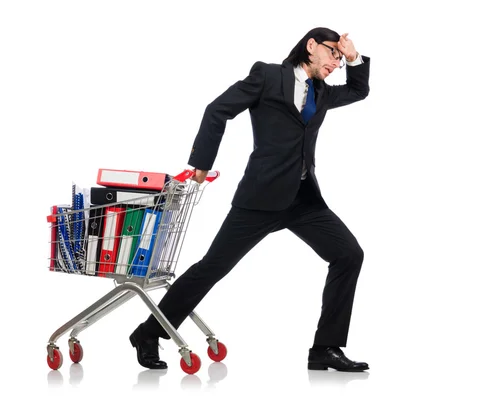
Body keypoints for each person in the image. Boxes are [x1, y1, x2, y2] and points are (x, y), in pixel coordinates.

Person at [129, 27, 370, 372]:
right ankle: (149, 332)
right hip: (261, 197)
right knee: (213, 268)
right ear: (311, 45)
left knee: (349, 255)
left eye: (339, 58)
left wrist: (352, 55)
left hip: (304, 200)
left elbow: (360, 90)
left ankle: (325, 349)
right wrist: (202, 162)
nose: (336, 62)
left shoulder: (322, 92)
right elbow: (217, 110)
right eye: (332, 53)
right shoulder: (268, 76)